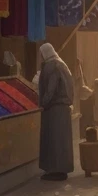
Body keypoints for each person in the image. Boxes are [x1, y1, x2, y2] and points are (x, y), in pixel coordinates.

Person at [36, 43, 75, 181]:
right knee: (62, 141)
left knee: (54, 140)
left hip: (54, 109)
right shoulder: (62, 64)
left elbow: (51, 88)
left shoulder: (51, 66)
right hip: (63, 108)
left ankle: (55, 170)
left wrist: (43, 103)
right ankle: (62, 169)